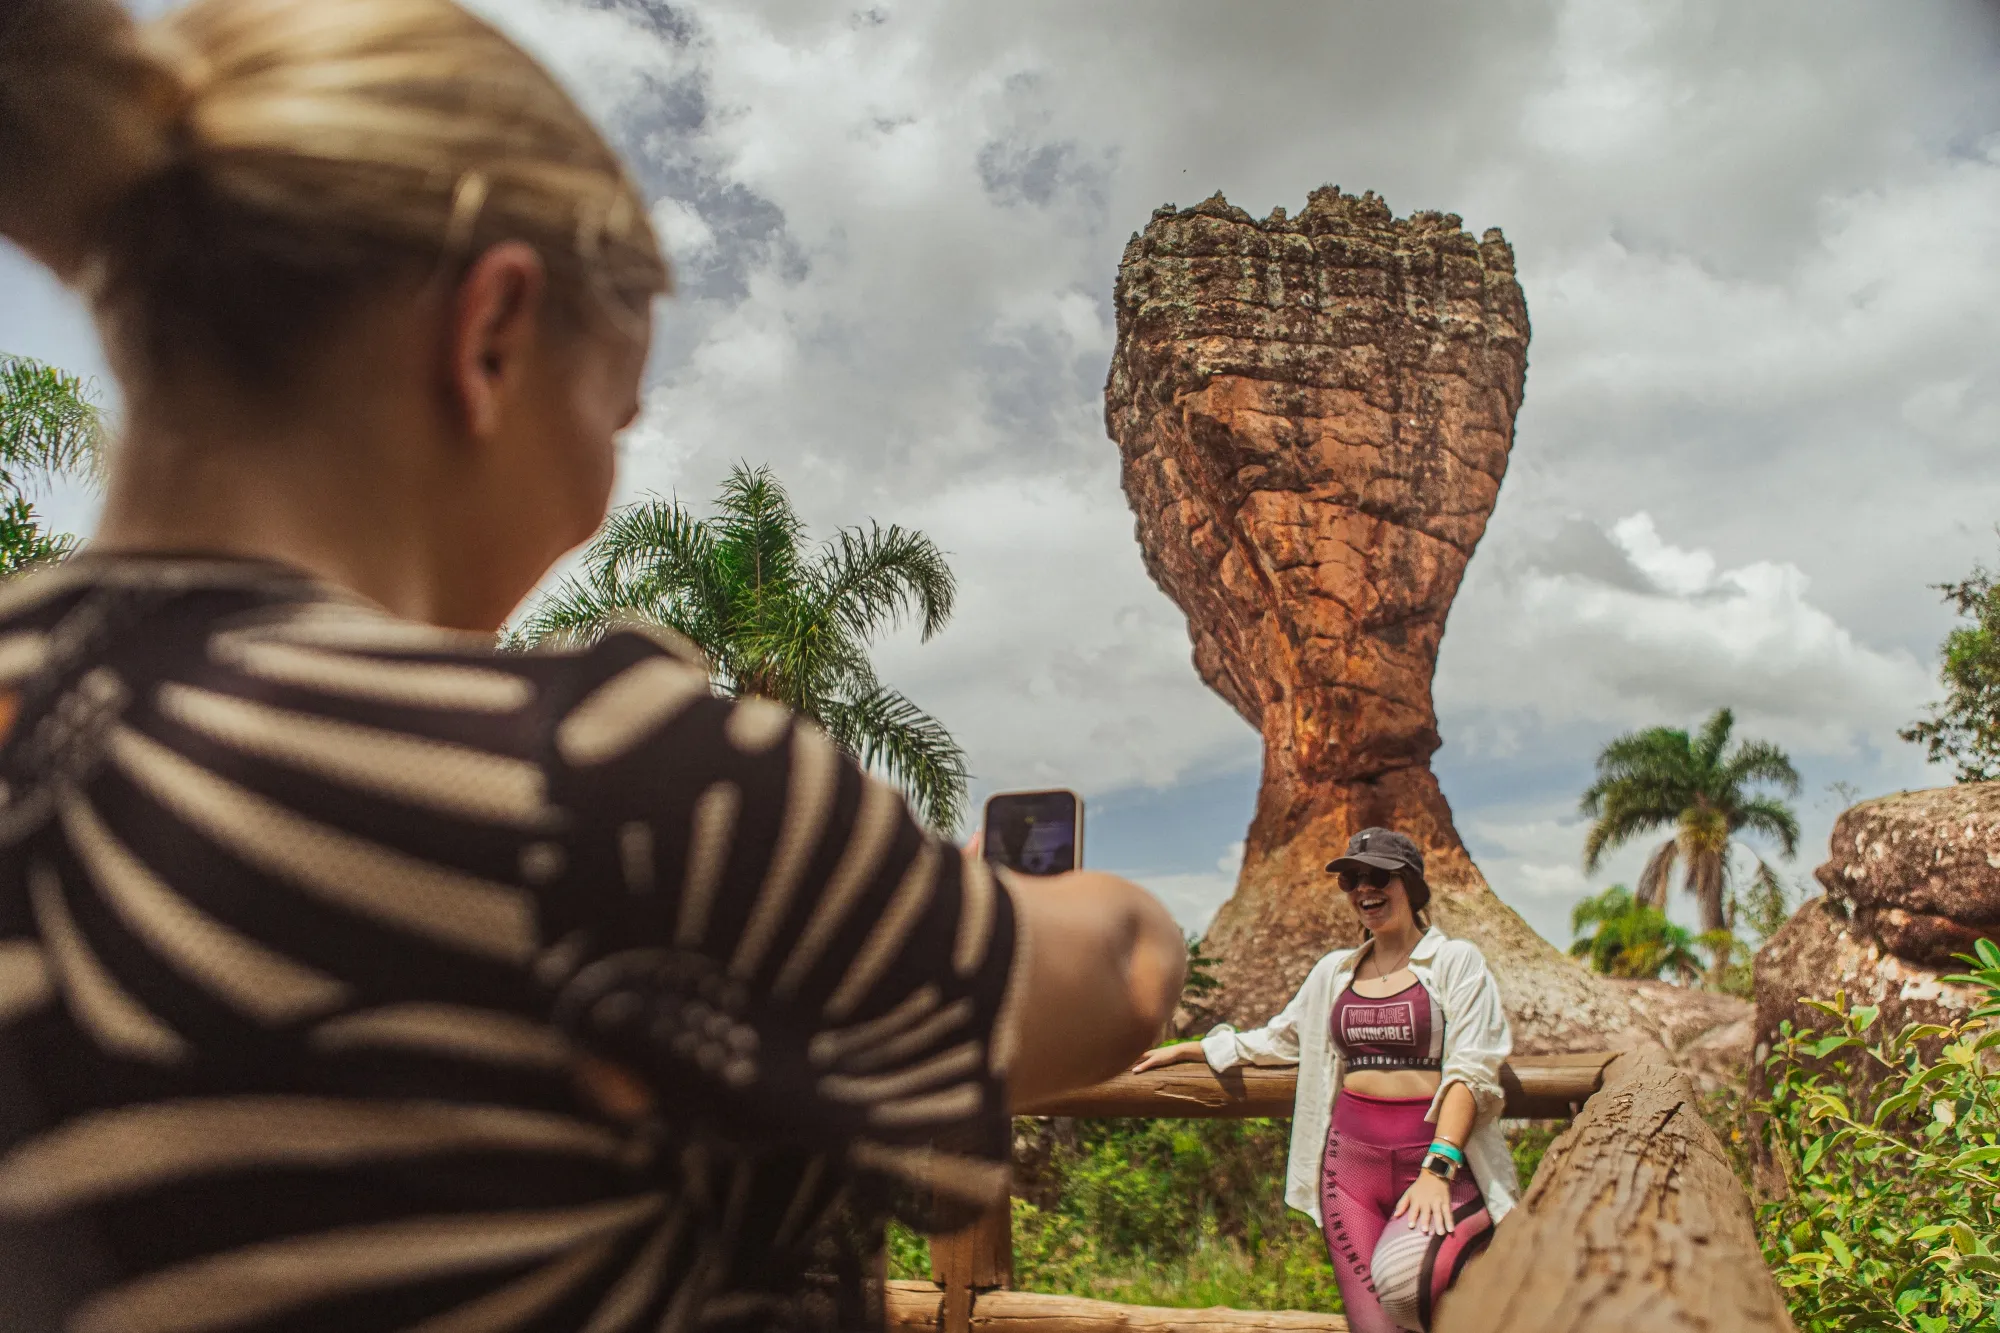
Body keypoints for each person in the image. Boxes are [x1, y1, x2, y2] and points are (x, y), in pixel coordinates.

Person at [0, 1, 1186, 1330]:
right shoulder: (598, 781)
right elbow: (1122, 974)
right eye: (612, 411)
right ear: (491, 332)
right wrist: (944, 891)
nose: (603, 481)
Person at [1132, 828, 1516, 1333]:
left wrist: (1438, 1168)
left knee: (1406, 1285)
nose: (1363, 888)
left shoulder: (1453, 962)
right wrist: (1198, 1048)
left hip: (1436, 1161)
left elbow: (1472, 1067)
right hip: (1349, 1172)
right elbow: (1281, 1038)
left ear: (1411, 886)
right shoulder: (1334, 972)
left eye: (1378, 875)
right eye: (1352, 879)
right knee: (1372, 1326)